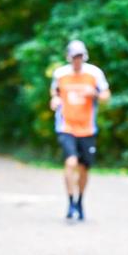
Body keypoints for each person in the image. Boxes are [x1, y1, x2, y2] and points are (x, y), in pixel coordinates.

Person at [50, 40, 110, 221]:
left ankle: (80, 200)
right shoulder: (60, 74)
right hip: (66, 126)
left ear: (84, 57)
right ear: (69, 57)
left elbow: (107, 96)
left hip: (87, 128)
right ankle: (70, 202)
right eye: (75, 56)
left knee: (84, 168)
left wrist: (96, 95)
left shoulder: (94, 73)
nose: (77, 60)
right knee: (70, 162)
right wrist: (54, 100)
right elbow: (55, 93)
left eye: (80, 56)